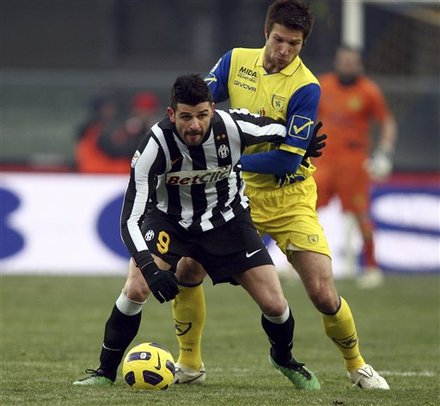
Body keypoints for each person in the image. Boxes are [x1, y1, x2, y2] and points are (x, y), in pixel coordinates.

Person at [171, 0, 390, 390]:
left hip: (291, 199)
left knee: (323, 294)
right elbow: (199, 107)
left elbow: (288, 161)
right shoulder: (236, 61)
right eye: (278, 40)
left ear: (303, 44)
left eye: (294, 43)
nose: (284, 51)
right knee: (188, 268)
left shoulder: (306, 86)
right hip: (236, 198)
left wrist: (228, 162)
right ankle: (190, 364)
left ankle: (357, 365)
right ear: (265, 32)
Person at [73, 73, 323, 390]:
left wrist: (303, 142)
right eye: (187, 116)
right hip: (170, 222)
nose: (195, 125)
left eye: (203, 115)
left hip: (228, 221)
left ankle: (284, 358)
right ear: (171, 114)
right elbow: (129, 220)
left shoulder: (232, 126)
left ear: (213, 111)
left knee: (275, 305)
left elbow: (279, 130)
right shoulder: (154, 146)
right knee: (135, 289)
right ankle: (105, 371)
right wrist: (150, 269)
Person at [315, 44, 398, 289]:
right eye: (344, 61)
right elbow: (307, 117)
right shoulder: (322, 86)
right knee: (305, 209)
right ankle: (291, 265)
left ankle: (371, 267)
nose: (347, 65)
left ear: (358, 64)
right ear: (337, 62)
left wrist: (384, 153)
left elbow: (387, 123)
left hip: (353, 163)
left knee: (361, 215)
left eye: (352, 61)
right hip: (324, 160)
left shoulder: (368, 91)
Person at [75, 91, 159, 174]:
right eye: (108, 108)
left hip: (103, 173)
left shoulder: (99, 129)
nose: (112, 111)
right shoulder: (94, 131)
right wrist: (136, 133)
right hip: (100, 174)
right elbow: (118, 151)